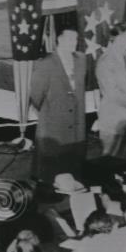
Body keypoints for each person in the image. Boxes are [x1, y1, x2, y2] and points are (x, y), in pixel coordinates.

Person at [29, 27, 87, 185]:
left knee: (74, 162)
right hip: (54, 123)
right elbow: (35, 95)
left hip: (76, 122)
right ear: (59, 40)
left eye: (75, 40)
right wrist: (49, 111)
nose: (73, 43)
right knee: (51, 163)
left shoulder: (82, 59)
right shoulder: (45, 63)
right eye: (69, 39)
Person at [95, 23, 126, 162]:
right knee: (112, 159)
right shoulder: (105, 62)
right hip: (114, 119)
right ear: (117, 39)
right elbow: (113, 94)